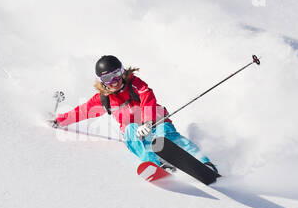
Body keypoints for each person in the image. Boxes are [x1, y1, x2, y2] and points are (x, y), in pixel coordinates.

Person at [51, 54, 219, 177]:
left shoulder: (135, 84)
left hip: (155, 121)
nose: (115, 80)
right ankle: (154, 163)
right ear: (102, 80)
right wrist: (59, 120)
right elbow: (81, 112)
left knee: (167, 135)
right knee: (131, 131)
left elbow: (148, 98)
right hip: (135, 131)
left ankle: (203, 162)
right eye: (108, 78)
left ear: (122, 71)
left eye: (117, 74)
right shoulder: (104, 99)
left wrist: (147, 122)